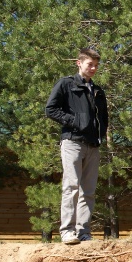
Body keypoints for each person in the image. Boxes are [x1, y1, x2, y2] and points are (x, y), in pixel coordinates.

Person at [45, 48, 109, 245]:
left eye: (96, 65)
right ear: (79, 63)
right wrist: (74, 121)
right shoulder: (66, 84)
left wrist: (100, 135)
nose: (94, 68)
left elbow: (103, 117)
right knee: (71, 186)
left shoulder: (98, 90)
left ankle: (83, 232)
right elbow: (50, 109)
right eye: (90, 64)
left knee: (88, 191)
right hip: (72, 142)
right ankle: (67, 231)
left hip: (93, 145)